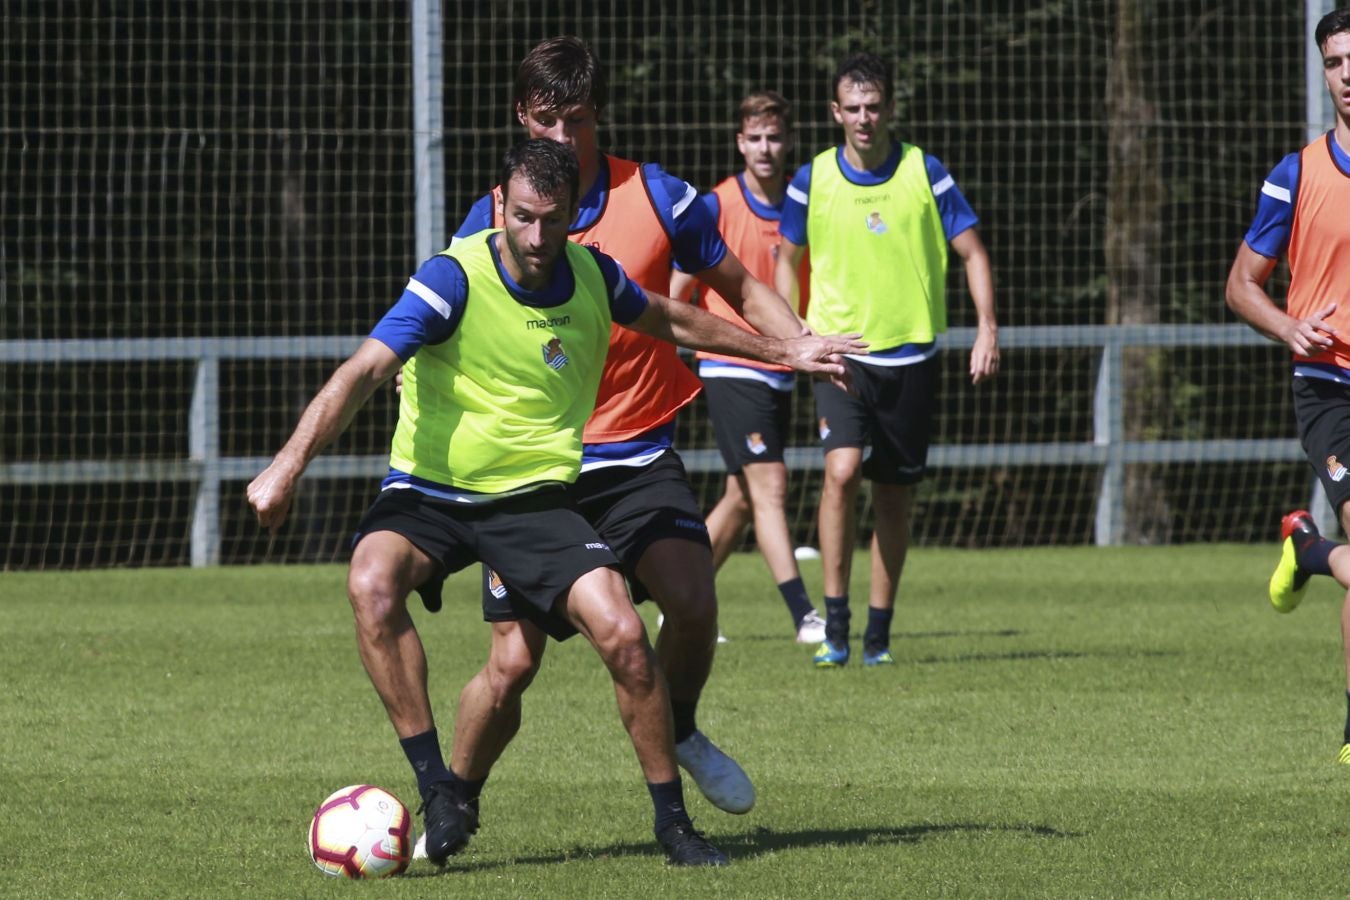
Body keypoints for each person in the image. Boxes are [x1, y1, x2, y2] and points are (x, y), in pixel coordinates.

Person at [246, 139, 858, 867]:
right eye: (525, 217)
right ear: (499, 205)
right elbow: (363, 371)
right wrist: (286, 468)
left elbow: (675, 318)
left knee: (626, 636)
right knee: (371, 584)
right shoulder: (453, 279)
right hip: (431, 491)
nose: (538, 239)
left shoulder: (592, 276)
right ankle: (438, 788)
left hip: (530, 499)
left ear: (575, 217)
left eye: (554, 221)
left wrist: (784, 350)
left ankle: (673, 826)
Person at [434, 37, 852, 846]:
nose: (561, 138)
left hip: (636, 453)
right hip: (531, 474)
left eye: (578, 120)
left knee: (694, 604)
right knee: (513, 665)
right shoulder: (497, 214)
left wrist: (799, 342)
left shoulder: (656, 196)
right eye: (547, 120)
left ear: (599, 118)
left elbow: (739, 288)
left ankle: (682, 728)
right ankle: (456, 795)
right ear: (522, 117)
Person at [775, 51, 1000, 669]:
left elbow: (973, 252)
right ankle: (836, 622)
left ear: (890, 108)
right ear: (835, 113)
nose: (865, 118)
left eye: (874, 107)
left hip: (912, 359)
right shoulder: (812, 178)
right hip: (841, 357)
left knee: (894, 497)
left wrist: (986, 328)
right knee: (842, 471)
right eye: (853, 108)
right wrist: (797, 332)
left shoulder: (925, 172)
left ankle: (878, 632)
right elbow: (783, 262)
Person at [1228, 8, 1350, 764]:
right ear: (1326, 74)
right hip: (1332, 387)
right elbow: (1242, 285)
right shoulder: (1297, 173)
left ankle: (1307, 550)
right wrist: (1288, 327)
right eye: (1337, 62)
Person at [669, 90, 825, 645]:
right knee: (771, 486)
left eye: (774, 137)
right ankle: (806, 614)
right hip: (731, 363)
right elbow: (677, 291)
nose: (765, 148)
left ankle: (680, 603)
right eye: (754, 138)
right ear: (739, 142)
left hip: (783, 364)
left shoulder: (799, 206)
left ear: (789, 142)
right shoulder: (716, 205)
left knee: (741, 495)